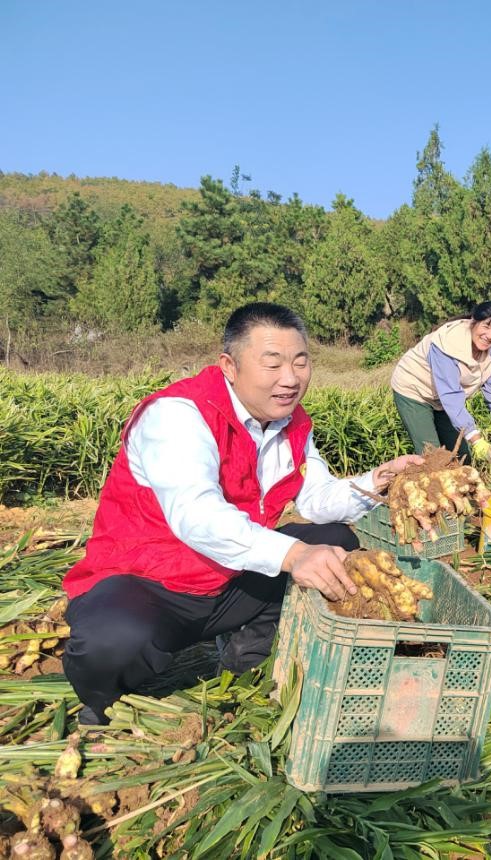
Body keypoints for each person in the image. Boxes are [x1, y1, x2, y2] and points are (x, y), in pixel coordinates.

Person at [61, 303, 422, 725]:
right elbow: (197, 515)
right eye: (272, 364)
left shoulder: (289, 424)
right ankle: (101, 700)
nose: (290, 379)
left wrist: (379, 482)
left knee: (335, 540)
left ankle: (245, 658)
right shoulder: (178, 415)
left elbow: (317, 497)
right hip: (149, 584)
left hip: (229, 580)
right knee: (114, 640)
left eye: (300, 362)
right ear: (229, 366)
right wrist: (292, 556)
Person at [389, 301, 491, 463]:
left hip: (443, 399)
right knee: (433, 458)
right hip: (414, 390)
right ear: (473, 321)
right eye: (486, 326)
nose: (490, 335)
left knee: (462, 458)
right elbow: (451, 396)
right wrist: (477, 440)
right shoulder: (449, 342)